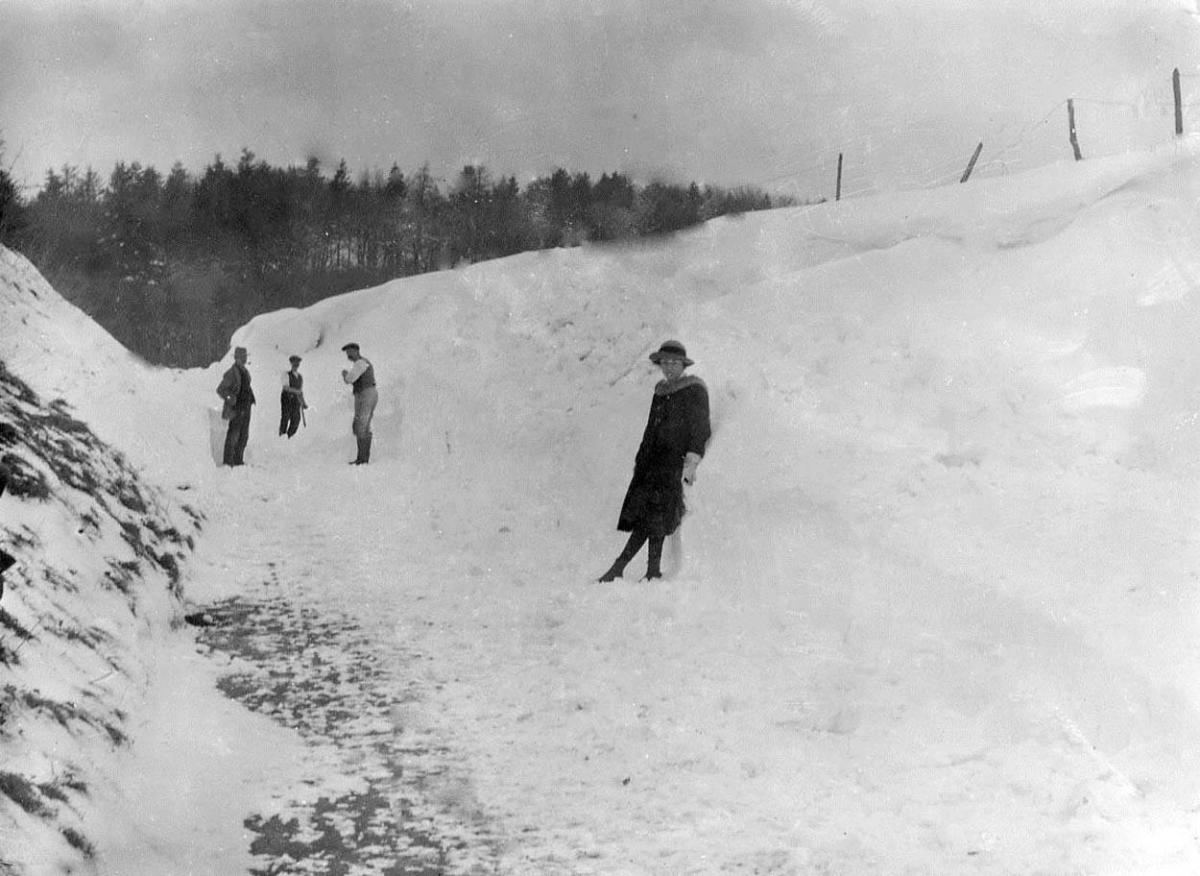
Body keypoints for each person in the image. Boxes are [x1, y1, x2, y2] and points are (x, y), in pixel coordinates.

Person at [598, 340, 711, 582]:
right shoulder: (660, 391)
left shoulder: (695, 390)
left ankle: (627, 567)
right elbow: (651, 429)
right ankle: (643, 570)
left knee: (656, 518)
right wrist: (641, 459)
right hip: (651, 464)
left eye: (674, 363)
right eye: (665, 363)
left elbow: (701, 428)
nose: (669, 368)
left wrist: (691, 461)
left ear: (683, 364)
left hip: (673, 462)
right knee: (646, 516)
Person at [216, 346, 255, 466]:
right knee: (233, 435)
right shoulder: (231, 373)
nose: (244, 359)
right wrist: (231, 399)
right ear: (236, 358)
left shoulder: (245, 371)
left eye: (245, 356)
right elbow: (221, 389)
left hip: (246, 407)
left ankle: (238, 460)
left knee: (244, 436)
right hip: (236, 409)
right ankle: (228, 461)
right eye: (242, 357)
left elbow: (246, 387)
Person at [341, 342, 377, 465]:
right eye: (347, 352)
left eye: (349, 351)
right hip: (363, 395)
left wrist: (345, 375)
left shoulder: (360, 363)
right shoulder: (361, 363)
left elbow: (350, 379)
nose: (348, 354)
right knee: (360, 425)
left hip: (366, 394)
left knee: (361, 425)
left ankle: (363, 459)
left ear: (356, 351)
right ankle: (362, 458)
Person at [279, 355, 306, 438]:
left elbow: (300, 391)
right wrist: (296, 391)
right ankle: (281, 436)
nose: (296, 365)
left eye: (297, 363)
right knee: (285, 417)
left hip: (296, 400)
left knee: (296, 419)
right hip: (287, 398)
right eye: (294, 363)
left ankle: (289, 437)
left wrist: (303, 402)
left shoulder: (300, 377)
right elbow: (285, 387)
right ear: (291, 364)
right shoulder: (286, 374)